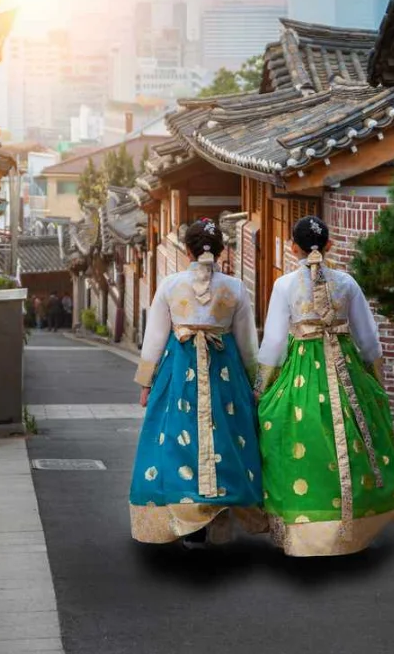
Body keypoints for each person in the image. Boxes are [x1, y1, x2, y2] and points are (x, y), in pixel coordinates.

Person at [255, 215, 394, 556]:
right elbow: (368, 338)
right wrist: (374, 378)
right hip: (345, 368)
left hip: (301, 371)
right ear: (329, 245)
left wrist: (262, 386)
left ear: (292, 248)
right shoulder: (347, 282)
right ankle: (352, 527)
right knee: (355, 439)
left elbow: (274, 342)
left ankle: (305, 529)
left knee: (296, 438)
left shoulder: (285, 285)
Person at [129, 218, 264, 547]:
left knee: (177, 440)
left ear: (187, 251)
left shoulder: (170, 285)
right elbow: (248, 344)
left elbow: (155, 338)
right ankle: (218, 513)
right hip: (224, 373)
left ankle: (185, 514)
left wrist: (146, 383)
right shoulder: (235, 287)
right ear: (221, 251)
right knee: (226, 440)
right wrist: (255, 383)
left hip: (178, 371)